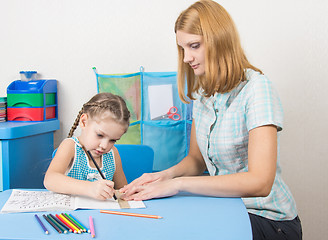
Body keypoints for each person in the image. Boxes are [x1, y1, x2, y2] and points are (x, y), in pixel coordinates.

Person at [120, 0, 302, 239]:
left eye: (194, 46)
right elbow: (197, 160)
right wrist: (164, 176)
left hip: (268, 219)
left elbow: (260, 182)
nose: (186, 58)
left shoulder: (258, 89)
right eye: (183, 48)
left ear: (220, 41)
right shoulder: (205, 95)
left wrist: (178, 184)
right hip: (227, 207)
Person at [44, 92, 130, 200]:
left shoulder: (113, 153)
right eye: (100, 135)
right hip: (72, 214)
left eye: (113, 140)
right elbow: (50, 180)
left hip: (102, 214)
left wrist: (130, 191)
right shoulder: (70, 147)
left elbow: (122, 191)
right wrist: (89, 188)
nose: (104, 146)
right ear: (84, 122)